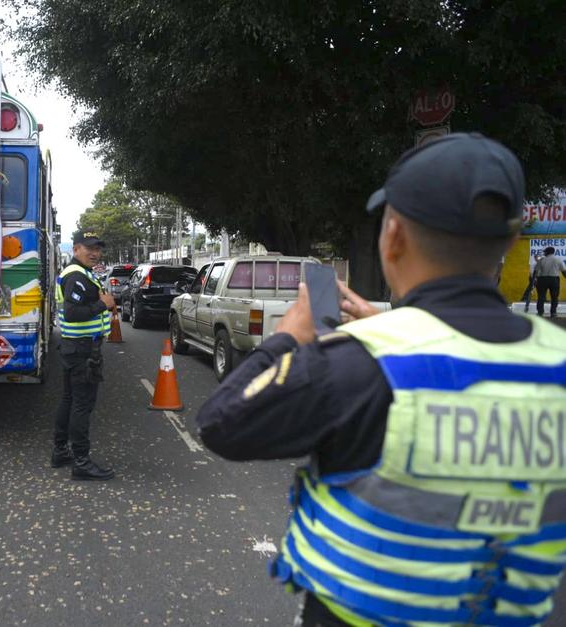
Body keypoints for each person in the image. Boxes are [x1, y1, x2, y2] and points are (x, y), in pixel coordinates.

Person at [195, 133, 566, 626]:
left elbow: (223, 423)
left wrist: (289, 338)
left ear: (393, 237)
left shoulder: (358, 363)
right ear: (509, 242)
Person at [51, 230, 116, 480]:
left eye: (98, 249)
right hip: (82, 350)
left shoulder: (80, 273)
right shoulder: (76, 275)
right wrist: (104, 304)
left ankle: (60, 451)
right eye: (89, 248)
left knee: (69, 400)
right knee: (82, 405)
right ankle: (81, 462)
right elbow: (73, 312)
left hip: (73, 347)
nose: (95, 253)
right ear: (76, 248)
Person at [535, 245, 566, 318]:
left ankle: (540, 312)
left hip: (542, 280)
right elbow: (564, 271)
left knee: (541, 296)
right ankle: (553, 312)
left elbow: (536, 271)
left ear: (548, 252)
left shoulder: (541, 260)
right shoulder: (558, 259)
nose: (544, 253)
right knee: (554, 297)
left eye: (545, 252)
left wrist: (535, 280)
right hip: (554, 280)